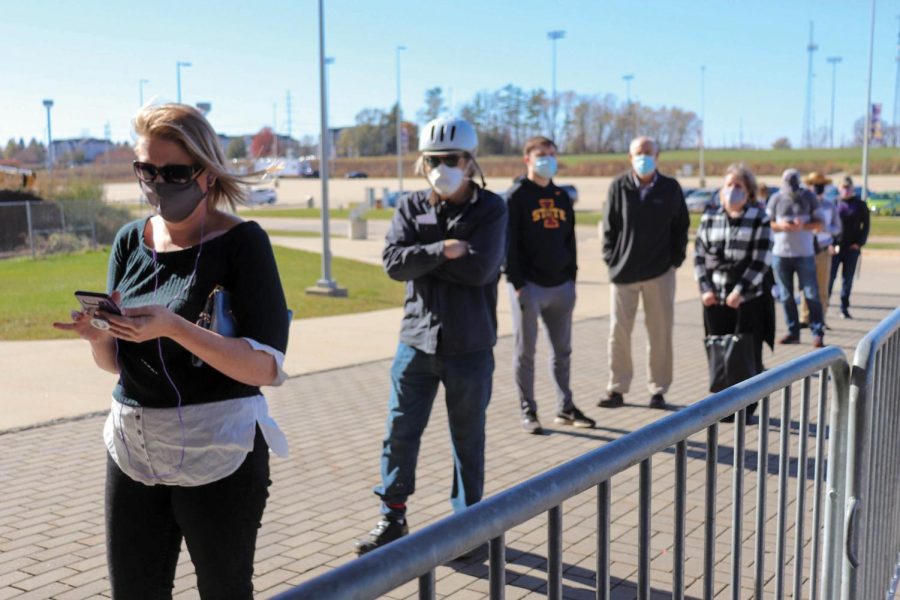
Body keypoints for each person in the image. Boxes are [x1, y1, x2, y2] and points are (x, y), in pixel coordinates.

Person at [53, 103, 291, 598]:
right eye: (146, 170)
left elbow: (266, 366)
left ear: (206, 174)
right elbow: (116, 365)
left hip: (218, 448)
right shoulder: (128, 241)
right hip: (134, 447)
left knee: (224, 590)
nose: (158, 184)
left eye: (174, 172)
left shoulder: (243, 243)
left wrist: (176, 328)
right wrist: (101, 337)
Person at [355, 116, 507, 556]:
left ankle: (468, 524)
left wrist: (421, 257)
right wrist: (444, 249)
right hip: (416, 342)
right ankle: (392, 515)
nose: (443, 167)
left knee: (467, 436)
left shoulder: (491, 209)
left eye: (452, 159)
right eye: (434, 160)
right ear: (423, 162)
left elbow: (481, 269)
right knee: (400, 431)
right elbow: (393, 263)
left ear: (469, 160)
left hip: (470, 345)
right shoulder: (410, 205)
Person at [505, 136, 593, 435]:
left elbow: (570, 240)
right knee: (525, 352)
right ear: (527, 159)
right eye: (541, 155)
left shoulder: (561, 196)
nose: (548, 159)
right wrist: (517, 284)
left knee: (562, 351)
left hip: (561, 287)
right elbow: (509, 245)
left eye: (552, 154)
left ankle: (565, 406)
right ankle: (528, 410)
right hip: (529, 287)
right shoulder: (516, 196)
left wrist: (572, 278)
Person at [600, 136, 690, 410]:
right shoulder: (619, 186)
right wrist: (611, 259)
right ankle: (617, 388)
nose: (643, 157)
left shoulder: (670, 188)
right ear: (630, 157)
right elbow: (609, 227)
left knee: (660, 332)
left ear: (658, 155)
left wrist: (675, 260)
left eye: (648, 152)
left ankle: (658, 389)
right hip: (623, 272)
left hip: (659, 273)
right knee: (619, 332)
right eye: (639, 153)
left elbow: (681, 228)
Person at [694, 164, 773, 412]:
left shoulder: (759, 218)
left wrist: (739, 291)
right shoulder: (710, 218)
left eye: (738, 186)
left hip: (747, 300)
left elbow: (761, 261)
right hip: (714, 300)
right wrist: (705, 289)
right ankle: (722, 405)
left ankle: (746, 406)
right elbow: (699, 256)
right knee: (720, 356)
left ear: (748, 191)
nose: (732, 190)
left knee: (746, 356)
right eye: (728, 185)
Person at [767, 168, 825, 347]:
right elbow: (767, 223)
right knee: (785, 295)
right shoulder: (776, 198)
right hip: (781, 254)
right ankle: (793, 332)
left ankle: (817, 332)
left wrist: (803, 225)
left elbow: (820, 224)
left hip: (804, 254)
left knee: (811, 293)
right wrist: (781, 225)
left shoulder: (809, 197)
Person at [799, 172, 841, 328]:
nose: (818, 188)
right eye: (815, 185)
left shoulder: (829, 206)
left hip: (823, 249)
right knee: (806, 286)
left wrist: (825, 228)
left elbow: (837, 228)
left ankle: (821, 318)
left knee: (822, 286)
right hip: (807, 248)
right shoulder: (804, 205)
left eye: (820, 186)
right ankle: (805, 317)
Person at [829, 176, 870, 319]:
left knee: (847, 280)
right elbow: (828, 225)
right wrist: (830, 244)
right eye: (843, 187)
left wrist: (859, 244)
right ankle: (824, 307)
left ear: (852, 188)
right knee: (830, 278)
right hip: (835, 248)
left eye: (848, 187)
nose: (846, 190)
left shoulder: (860, 205)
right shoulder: (834, 203)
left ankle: (844, 307)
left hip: (851, 249)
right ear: (839, 188)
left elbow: (865, 227)